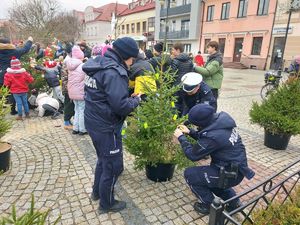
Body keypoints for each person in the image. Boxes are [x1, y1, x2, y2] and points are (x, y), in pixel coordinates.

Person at [83, 37, 141, 213]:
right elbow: (121, 107)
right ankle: (106, 203)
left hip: (93, 120)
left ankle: (96, 192)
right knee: (113, 166)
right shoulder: (115, 72)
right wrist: (136, 100)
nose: (133, 62)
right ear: (124, 55)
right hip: (107, 126)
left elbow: (104, 95)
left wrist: (125, 98)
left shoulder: (98, 62)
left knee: (103, 160)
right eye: (132, 58)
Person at [173, 104, 255, 215]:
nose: (195, 125)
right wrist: (191, 132)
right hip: (234, 170)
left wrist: (181, 137)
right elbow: (207, 140)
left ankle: (209, 206)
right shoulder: (220, 122)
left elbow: (193, 155)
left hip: (229, 174)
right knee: (214, 180)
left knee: (190, 174)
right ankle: (234, 203)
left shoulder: (214, 136)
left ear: (202, 123)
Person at [0, 36, 33, 115]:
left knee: (2, 92)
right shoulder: (15, 51)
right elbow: (25, 49)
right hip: (13, 75)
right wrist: (29, 41)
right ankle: (12, 110)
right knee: (12, 92)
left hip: (1, 75)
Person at [194, 41, 223, 110]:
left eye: (208, 47)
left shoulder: (216, 60)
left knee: (211, 106)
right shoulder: (211, 58)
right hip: (209, 85)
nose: (207, 49)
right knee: (207, 105)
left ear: (214, 48)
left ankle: (212, 119)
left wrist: (195, 67)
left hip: (212, 87)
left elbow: (208, 72)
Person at [66, 46, 87, 135]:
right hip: (81, 91)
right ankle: (82, 129)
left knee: (76, 109)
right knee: (82, 110)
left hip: (72, 91)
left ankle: (75, 128)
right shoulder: (82, 66)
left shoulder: (70, 66)